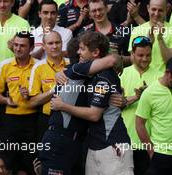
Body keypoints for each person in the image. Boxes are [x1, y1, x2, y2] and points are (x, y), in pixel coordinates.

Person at [38, 31, 122, 175]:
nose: (79, 52)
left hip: (76, 143)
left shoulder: (89, 75)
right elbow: (111, 61)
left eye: (82, 49)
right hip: (59, 141)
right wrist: (116, 57)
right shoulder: (76, 69)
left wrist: (120, 98)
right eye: (79, 49)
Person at [0, 31, 38, 175]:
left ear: (31, 48)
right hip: (9, 120)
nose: (17, 49)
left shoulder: (39, 66)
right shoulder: (4, 65)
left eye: (22, 46)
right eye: (16, 45)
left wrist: (31, 96)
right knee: (7, 163)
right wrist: (7, 100)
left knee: (30, 164)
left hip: (33, 120)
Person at [118, 36, 161, 175]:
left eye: (148, 55)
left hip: (151, 142)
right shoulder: (121, 75)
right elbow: (114, 106)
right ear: (132, 54)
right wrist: (136, 97)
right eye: (140, 55)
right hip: (125, 141)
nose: (145, 59)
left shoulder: (160, 77)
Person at [129, 0, 172, 72]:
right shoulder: (137, 30)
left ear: (166, 10)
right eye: (154, 9)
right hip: (143, 77)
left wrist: (160, 39)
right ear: (148, 8)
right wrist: (148, 43)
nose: (156, 13)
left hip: (164, 78)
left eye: (160, 10)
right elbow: (133, 60)